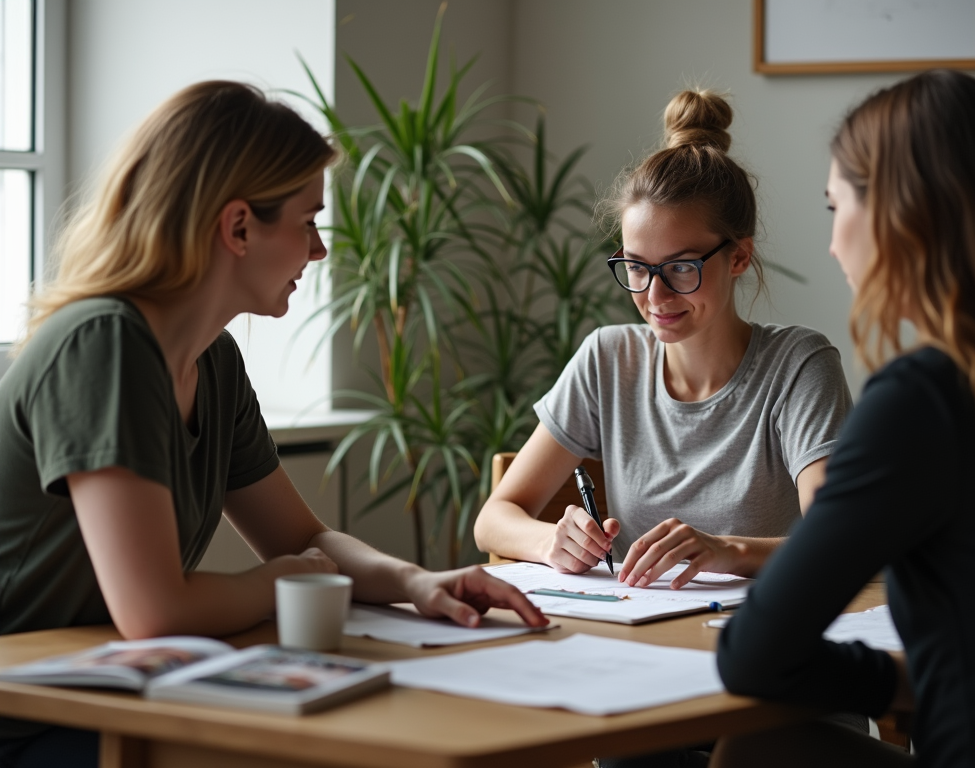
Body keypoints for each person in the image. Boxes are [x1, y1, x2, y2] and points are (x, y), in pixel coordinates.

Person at [0, 81, 546, 767]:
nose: (319, 252)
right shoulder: (102, 344)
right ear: (237, 227)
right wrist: (285, 579)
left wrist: (413, 583)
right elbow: (156, 612)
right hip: (24, 725)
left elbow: (303, 536)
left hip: (98, 703)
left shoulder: (214, 362)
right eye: (308, 221)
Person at [713, 70, 975, 768]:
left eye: (835, 206)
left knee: (759, 745)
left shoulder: (926, 399)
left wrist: (896, 680)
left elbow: (754, 655)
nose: (831, 243)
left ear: (898, 211)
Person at [474, 89, 852, 591]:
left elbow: (841, 537)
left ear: (738, 257)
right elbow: (494, 518)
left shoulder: (799, 365)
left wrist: (726, 549)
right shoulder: (608, 359)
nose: (655, 295)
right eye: (636, 267)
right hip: (640, 630)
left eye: (680, 267)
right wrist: (550, 542)